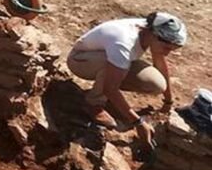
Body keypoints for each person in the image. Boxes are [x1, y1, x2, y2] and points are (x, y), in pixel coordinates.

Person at [67, 12, 188, 149]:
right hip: (80, 61)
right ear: (154, 35)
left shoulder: (151, 30)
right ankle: (93, 103)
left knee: (156, 84)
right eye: (166, 48)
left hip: (109, 58)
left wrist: (168, 101)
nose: (167, 53)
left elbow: (159, 62)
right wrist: (138, 123)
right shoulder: (124, 42)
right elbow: (110, 88)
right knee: (111, 71)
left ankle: (108, 91)